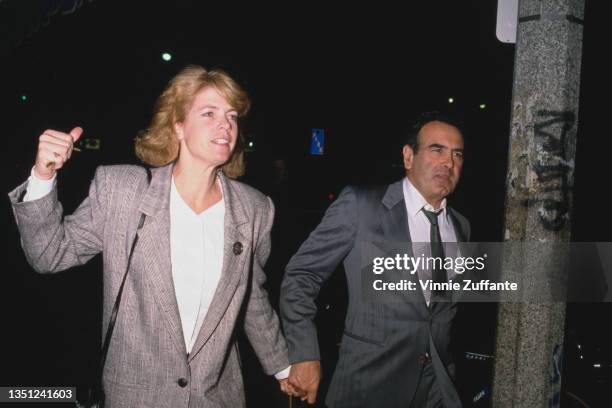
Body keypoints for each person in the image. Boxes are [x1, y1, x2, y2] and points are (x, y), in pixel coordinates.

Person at [9, 65, 294, 407]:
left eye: (232, 115)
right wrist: (43, 175)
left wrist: (283, 366)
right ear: (178, 126)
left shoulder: (254, 208)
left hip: (216, 398)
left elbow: (251, 295)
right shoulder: (123, 190)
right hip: (135, 397)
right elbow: (48, 255)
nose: (226, 125)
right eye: (209, 113)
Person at [280, 112, 470, 408]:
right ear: (409, 157)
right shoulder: (361, 206)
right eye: (437, 150)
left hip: (438, 391)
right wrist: (304, 352)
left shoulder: (461, 227)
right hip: (368, 388)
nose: (449, 162)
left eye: (457, 154)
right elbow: (302, 275)